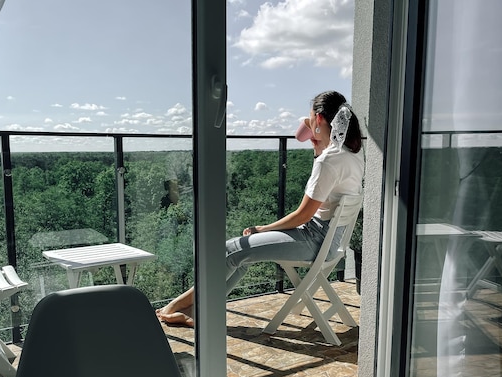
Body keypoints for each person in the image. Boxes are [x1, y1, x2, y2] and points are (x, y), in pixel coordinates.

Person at [156, 90, 364, 327]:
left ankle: (181, 305)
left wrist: (262, 229)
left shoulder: (329, 160)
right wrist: (319, 146)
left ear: (318, 119)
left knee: (231, 250)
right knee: (239, 255)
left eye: (310, 118)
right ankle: (198, 309)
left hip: (314, 239)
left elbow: (302, 215)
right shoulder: (353, 155)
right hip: (332, 243)